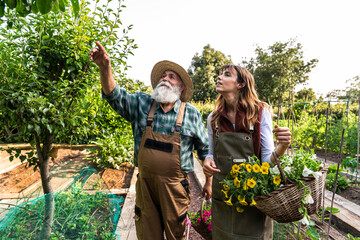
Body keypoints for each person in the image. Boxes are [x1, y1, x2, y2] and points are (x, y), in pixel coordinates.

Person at [89, 42, 209, 240]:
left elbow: (204, 150)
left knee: (176, 234)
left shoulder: (191, 113)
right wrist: (105, 67)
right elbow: (114, 96)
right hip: (146, 185)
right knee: (147, 233)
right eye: (163, 75)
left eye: (172, 76)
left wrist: (209, 181)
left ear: (180, 87)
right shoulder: (141, 103)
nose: (165, 78)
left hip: (175, 188)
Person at [202, 64, 291, 239]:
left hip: (252, 198)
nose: (219, 77)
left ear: (241, 84)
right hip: (223, 198)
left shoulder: (259, 112)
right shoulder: (213, 118)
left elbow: (266, 160)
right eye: (220, 74)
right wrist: (207, 162)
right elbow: (212, 153)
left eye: (227, 75)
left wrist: (283, 147)